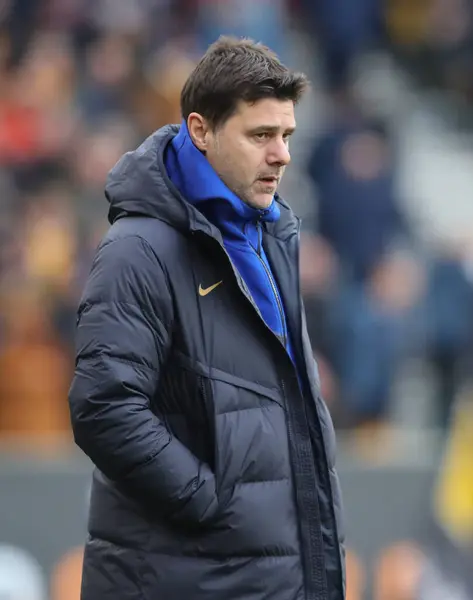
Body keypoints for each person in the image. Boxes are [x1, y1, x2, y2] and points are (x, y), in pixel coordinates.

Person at [68, 36, 345, 600]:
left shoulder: (273, 236)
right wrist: (211, 501)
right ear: (200, 130)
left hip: (271, 577)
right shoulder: (137, 248)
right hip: (192, 577)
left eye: (286, 135)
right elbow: (103, 407)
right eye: (260, 135)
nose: (282, 154)